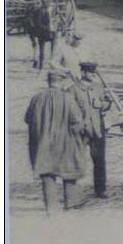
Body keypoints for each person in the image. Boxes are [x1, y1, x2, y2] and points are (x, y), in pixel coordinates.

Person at [25, 69, 86, 214]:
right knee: (69, 169)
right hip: (65, 142)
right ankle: (70, 203)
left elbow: (27, 119)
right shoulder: (68, 98)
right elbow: (76, 120)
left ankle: (50, 207)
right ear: (62, 81)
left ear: (49, 81)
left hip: (43, 142)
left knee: (47, 174)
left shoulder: (36, 98)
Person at [69, 61, 110, 199]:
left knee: (99, 160)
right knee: (76, 160)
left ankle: (101, 189)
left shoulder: (98, 87)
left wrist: (102, 104)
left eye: (94, 73)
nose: (93, 75)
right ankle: (73, 191)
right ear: (82, 73)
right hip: (81, 131)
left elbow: (108, 103)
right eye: (90, 73)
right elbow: (68, 110)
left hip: (97, 129)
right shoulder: (73, 89)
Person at [25, 0, 56, 70]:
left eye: (50, 4)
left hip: (50, 30)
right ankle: (40, 63)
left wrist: (53, 23)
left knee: (52, 44)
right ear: (44, 4)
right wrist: (47, 27)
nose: (49, 6)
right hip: (43, 32)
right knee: (41, 48)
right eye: (47, 4)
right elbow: (38, 23)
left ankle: (51, 60)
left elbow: (54, 19)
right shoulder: (40, 11)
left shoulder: (51, 10)